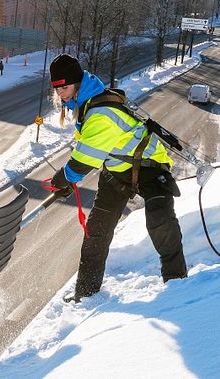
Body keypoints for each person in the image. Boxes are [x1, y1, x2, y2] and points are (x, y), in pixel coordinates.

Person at [48, 54, 187, 303]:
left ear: (77, 83)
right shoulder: (86, 103)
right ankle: (86, 295)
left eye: (65, 87)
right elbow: (89, 152)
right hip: (117, 170)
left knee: (160, 222)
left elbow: (84, 160)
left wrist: (63, 179)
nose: (61, 94)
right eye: (57, 89)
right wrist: (69, 180)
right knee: (96, 234)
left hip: (150, 166)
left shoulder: (100, 112)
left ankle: (178, 285)